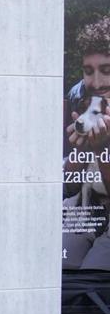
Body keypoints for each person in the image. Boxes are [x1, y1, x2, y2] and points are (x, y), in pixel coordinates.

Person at [63, 16, 110, 269]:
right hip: (85, 211)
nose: (96, 83)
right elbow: (68, 188)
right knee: (63, 264)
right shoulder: (79, 95)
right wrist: (79, 151)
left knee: (93, 274)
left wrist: (101, 150)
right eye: (88, 71)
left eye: (107, 70)